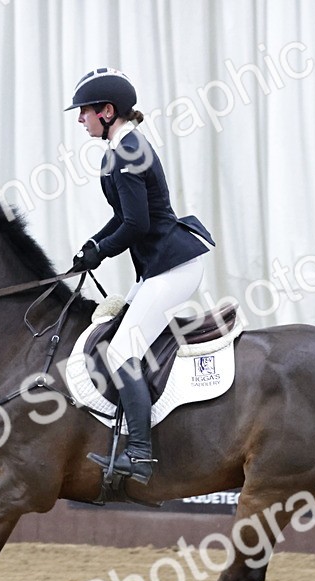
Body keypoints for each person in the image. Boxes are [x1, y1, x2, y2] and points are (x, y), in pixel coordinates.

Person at [65, 67, 215, 485]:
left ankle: (142, 455)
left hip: (174, 266)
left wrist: (101, 249)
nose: (80, 120)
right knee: (119, 339)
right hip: (158, 267)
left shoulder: (127, 150)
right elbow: (121, 218)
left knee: (119, 352)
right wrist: (89, 247)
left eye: (84, 112)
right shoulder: (122, 147)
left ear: (107, 111)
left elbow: (136, 223)